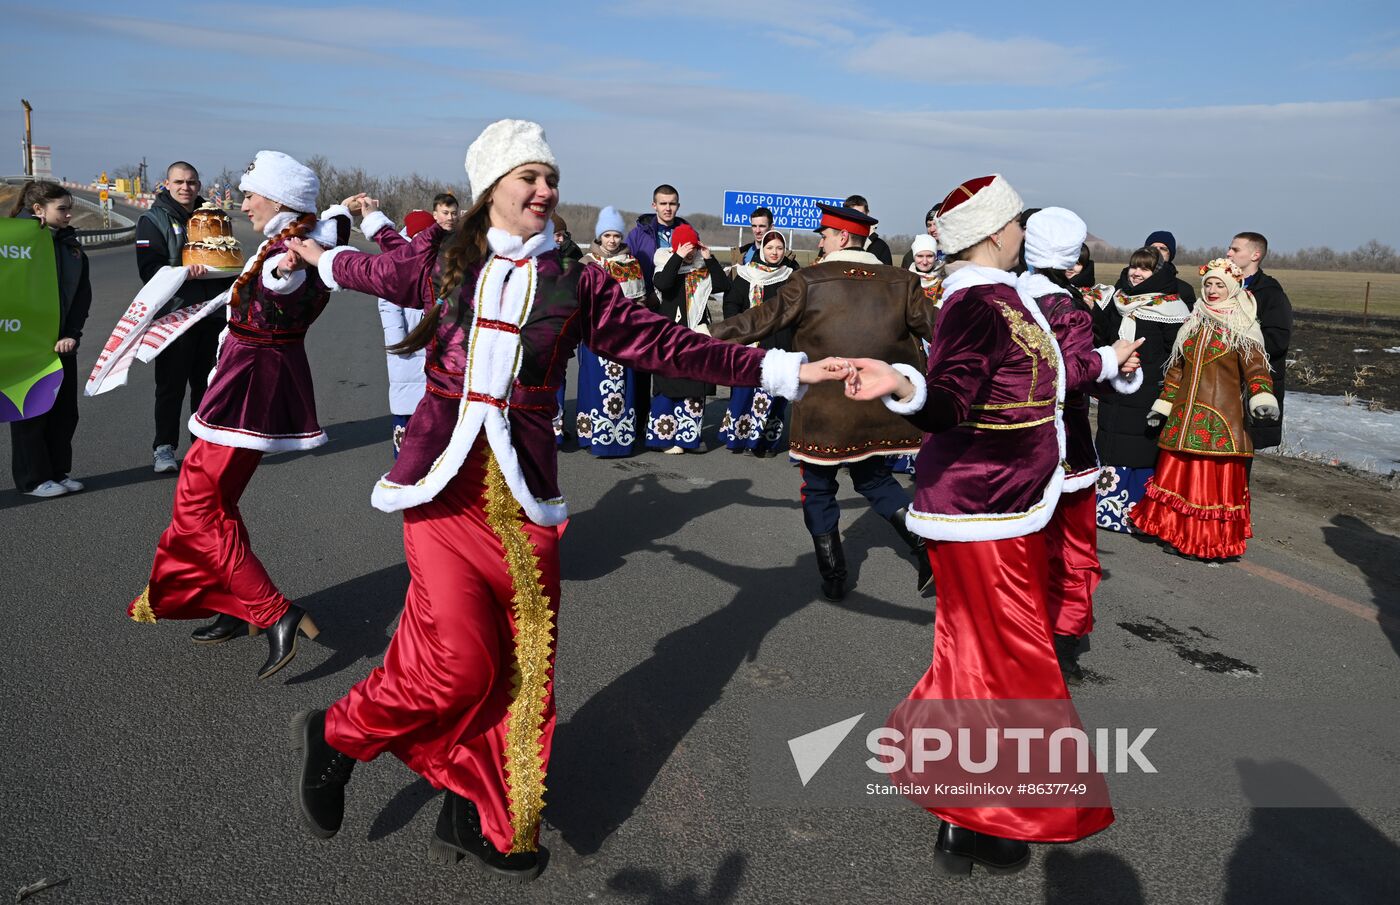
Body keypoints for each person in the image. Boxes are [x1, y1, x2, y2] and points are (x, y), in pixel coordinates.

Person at [282, 120, 846, 882]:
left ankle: (479, 808)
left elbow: (668, 345)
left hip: (522, 501)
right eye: (530, 178)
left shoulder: (576, 282)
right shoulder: (445, 260)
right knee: (458, 663)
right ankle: (340, 736)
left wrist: (783, 371)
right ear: (493, 189)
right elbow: (371, 272)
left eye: (551, 178)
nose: (546, 191)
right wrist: (319, 256)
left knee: (521, 666)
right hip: (443, 490)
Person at [841, 174, 1125, 875]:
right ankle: (993, 808)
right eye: (1017, 223)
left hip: (1010, 502)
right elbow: (954, 397)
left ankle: (966, 815)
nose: (1024, 232)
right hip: (981, 507)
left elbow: (1040, 385)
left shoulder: (1005, 296)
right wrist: (905, 387)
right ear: (998, 233)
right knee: (1015, 662)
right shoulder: (977, 301)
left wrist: (1107, 363)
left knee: (977, 659)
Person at [127, 150, 352, 680]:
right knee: (216, 502)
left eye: (250, 194)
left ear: (277, 199)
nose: (242, 202)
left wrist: (288, 267)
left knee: (198, 507)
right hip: (253, 381)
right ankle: (236, 607)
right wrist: (341, 213)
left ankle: (277, 613)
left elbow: (282, 278)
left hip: (247, 389)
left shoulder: (287, 253)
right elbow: (328, 228)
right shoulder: (299, 240)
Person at [710, 202, 936, 599]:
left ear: (843, 237)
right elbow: (942, 329)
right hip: (879, 406)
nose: (822, 242)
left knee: (817, 488)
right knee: (876, 479)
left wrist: (702, 340)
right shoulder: (903, 282)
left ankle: (833, 575)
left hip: (824, 409)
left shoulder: (811, 279)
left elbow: (760, 320)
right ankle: (924, 548)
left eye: (826, 235)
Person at [1016, 207, 1143, 684]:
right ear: (1072, 260)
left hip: (1008, 445)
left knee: (1017, 544)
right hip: (1063, 448)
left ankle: (1015, 632)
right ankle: (1062, 640)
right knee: (1070, 548)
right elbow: (1071, 377)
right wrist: (1115, 364)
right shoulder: (1067, 309)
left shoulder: (1003, 297)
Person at [1130, 258, 1279, 558]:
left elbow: (1257, 369)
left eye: (1219, 285)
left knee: (1205, 487)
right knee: (1178, 480)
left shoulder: (1243, 325)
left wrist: (1262, 396)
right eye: (1208, 284)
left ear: (1233, 288)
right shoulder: (1194, 321)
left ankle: (1204, 542)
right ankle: (1174, 532)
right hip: (1184, 419)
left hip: (1219, 422)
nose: (1212, 290)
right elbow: (1176, 370)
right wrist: (1163, 405)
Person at [136, 161, 238, 474]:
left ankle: (201, 446)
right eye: (179, 182)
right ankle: (164, 448)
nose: (186, 188)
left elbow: (227, 259)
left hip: (212, 314)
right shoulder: (152, 221)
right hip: (174, 317)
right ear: (166, 184)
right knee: (170, 386)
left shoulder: (214, 218)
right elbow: (149, 270)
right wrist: (183, 274)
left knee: (206, 385)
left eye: (191, 182)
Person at [1085, 247, 1192, 533]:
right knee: (1109, 440)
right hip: (1116, 386)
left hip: (1149, 390)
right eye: (1134, 266)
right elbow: (1104, 335)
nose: (1136, 272)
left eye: (1144, 269)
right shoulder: (1117, 300)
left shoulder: (1172, 308)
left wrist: (1164, 385)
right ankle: (1103, 509)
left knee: (1140, 447)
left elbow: (1177, 356)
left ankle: (1137, 513)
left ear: (1156, 273)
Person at [8, 181, 91, 498]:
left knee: (65, 411)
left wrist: (71, 333)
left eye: (70, 208)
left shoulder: (70, 246)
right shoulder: (14, 243)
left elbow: (82, 295)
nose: (69, 215)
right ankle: (33, 479)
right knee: (31, 410)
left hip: (62, 343)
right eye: (63, 209)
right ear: (38, 209)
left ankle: (59, 471)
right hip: (26, 342)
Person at [646, 224, 730, 453]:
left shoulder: (701, 269)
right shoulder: (664, 264)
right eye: (685, 246)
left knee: (694, 387)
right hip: (670, 335)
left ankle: (688, 439)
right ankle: (663, 438)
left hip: (696, 335)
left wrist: (709, 258)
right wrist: (677, 257)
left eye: (692, 246)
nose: (690, 251)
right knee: (668, 384)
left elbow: (724, 286)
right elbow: (663, 284)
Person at [575, 206, 646, 457]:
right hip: (595, 336)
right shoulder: (586, 263)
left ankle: (621, 439)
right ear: (599, 237)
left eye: (616, 235)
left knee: (622, 387)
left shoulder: (631, 264)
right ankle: (593, 436)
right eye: (607, 235)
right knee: (594, 385)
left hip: (623, 336)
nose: (612, 240)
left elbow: (640, 302)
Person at [720, 229, 796, 456]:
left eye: (779, 248)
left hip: (780, 343)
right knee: (745, 393)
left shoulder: (792, 276)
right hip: (751, 344)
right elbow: (731, 304)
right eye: (770, 248)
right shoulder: (746, 274)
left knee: (773, 395)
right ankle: (740, 438)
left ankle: (766, 441)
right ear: (762, 249)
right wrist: (740, 331)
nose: (775, 252)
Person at [374, 208, 435, 458]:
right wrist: (403, 344)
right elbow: (389, 313)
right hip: (408, 352)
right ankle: (404, 468)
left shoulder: (442, 258)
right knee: (407, 411)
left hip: (438, 352)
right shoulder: (397, 264)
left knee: (436, 416)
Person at [1227, 231, 1291, 458]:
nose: (1228, 253)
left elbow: (1277, 341)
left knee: (1241, 456)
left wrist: (1232, 348)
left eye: (1235, 249)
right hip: (1220, 385)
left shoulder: (1271, 293)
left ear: (1255, 254)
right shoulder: (1222, 286)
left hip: (1249, 384)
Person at [625, 183, 688, 294]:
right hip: (647, 300)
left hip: (679, 299)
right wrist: (647, 294)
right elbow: (627, 268)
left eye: (672, 204)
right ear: (654, 205)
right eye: (663, 203)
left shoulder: (689, 234)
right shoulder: (637, 235)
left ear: (678, 206)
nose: (668, 208)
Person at [1136, 230, 1197, 305]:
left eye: (1163, 248)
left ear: (1170, 255)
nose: (1157, 251)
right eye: (1153, 247)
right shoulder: (1132, 281)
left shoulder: (1184, 290)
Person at [843, 194, 892, 264]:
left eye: (861, 214)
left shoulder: (880, 246)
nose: (857, 218)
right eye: (852, 214)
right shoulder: (834, 241)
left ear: (867, 214)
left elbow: (887, 273)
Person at [900, 204, 942, 269]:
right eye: (929, 225)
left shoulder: (959, 255)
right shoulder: (912, 255)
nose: (932, 229)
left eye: (936, 224)